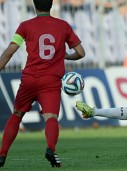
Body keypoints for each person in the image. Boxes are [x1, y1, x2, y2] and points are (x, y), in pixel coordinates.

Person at [0, 0, 85, 168]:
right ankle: (50, 149)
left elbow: (10, 51)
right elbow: (81, 53)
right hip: (51, 81)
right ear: (51, 5)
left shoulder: (25, 26)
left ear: (34, 5)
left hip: (30, 79)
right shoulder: (63, 26)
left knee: (17, 114)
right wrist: (65, 56)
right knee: (51, 117)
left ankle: (2, 154)